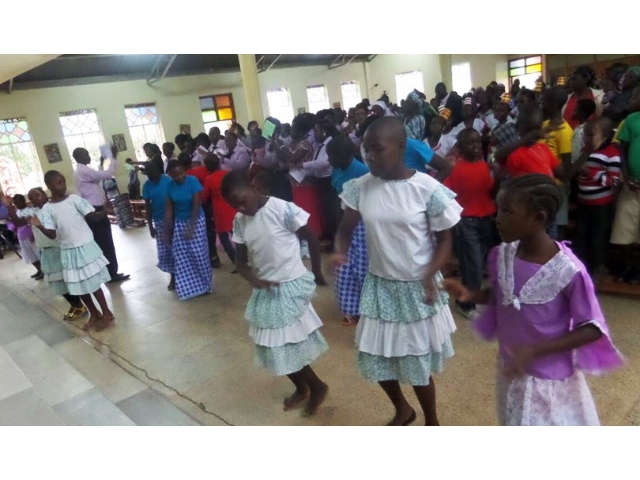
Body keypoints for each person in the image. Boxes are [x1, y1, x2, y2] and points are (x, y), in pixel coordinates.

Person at [445, 174, 623, 425]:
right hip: (513, 368)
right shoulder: (503, 255)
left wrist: (536, 350)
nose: (497, 219)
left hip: (547, 379)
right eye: (499, 209)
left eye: (507, 211)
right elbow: (504, 295)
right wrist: (471, 294)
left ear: (537, 218)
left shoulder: (568, 271)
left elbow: (592, 328)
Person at [333, 117, 462, 426]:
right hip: (380, 287)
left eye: (377, 149)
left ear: (401, 146)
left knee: (417, 364)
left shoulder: (426, 189)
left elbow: (445, 238)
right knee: (377, 357)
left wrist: (431, 273)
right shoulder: (361, 188)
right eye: (366, 150)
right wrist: (339, 250)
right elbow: (345, 229)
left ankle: (432, 421)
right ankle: (403, 409)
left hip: (417, 288)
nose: (370, 157)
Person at [221, 169, 329, 416]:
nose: (241, 208)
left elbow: (311, 238)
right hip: (267, 290)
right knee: (271, 346)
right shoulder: (240, 221)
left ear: (252, 186)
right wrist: (252, 278)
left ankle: (317, 386)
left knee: (284, 345)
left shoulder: (282, 209)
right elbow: (240, 262)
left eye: (241, 200)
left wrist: (317, 271)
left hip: (289, 285)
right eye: (234, 205)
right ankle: (302, 387)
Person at [33, 170, 115, 331]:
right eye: (58, 183)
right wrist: (39, 225)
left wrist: (104, 211)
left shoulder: (74, 200)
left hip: (84, 246)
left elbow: (92, 217)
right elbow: (52, 234)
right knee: (77, 285)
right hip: (68, 250)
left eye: (63, 181)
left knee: (92, 283)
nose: (62, 185)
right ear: (49, 186)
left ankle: (107, 313)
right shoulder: (47, 209)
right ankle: (94, 313)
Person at [443, 129, 498, 319]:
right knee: (472, 265)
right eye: (470, 143)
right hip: (467, 222)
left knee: (478, 264)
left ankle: (469, 297)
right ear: (460, 147)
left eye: (477, 142)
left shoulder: (483, 166)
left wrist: (498, 176)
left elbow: (490, 192)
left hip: (486, 220)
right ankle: (465, 303)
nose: (475, 146)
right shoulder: (456, 168)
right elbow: (446, 192)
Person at [23, 187, 88, 320]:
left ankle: (80, 305)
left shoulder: (51, 209)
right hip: (46, 251)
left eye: (37, 195)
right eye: (31, 197)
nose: (35, 198)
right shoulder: (34, 212)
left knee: (65, 280)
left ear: (44, 195)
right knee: (57, 282)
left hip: (57, 248)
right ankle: (74, 305)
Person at [327, 134, 370, 326]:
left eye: (331, 156)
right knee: (343, 268)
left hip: (362, 226)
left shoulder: (362, 171)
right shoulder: (336, 171)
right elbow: (338, 198)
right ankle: (350, 308)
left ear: (344, 155)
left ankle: (366, 308)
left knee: (362, 268)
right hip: (345, 222)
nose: (329, 160)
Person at [72, 147, 129, 283]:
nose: (88, 156)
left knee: (102, 241)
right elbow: (107, 175)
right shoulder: (83, 170)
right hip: (94, 209)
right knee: (105, 241)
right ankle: (112, 273)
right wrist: (113, 158)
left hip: (93, 207)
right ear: (78, 157)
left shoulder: (81, 170)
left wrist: (101, 162)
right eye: (86, 154)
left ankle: (109, 272)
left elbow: (96, 178)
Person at [573, 118, 621, 276]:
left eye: (590, 135)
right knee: (581, 238)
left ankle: (596, 270)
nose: (586, 138)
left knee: (597, 238)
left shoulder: (612, 154)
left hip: (600, 205)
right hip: (583, 202)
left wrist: (591, 174)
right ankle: (579, 269)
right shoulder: (585, 150)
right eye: (585, 134)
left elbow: (613, 181)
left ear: (605, 136)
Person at [164, 161, 213, 301]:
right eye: (176, 176)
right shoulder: (169, 186)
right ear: (170, 176)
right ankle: (190, 287)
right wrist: (166, 231)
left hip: (196, 219)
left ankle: (205, 285)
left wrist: (192, 226)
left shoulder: (192, 181)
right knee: (181, 254)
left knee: (198, 253)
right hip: (180, 221)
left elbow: (197, 204)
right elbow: (168, 209)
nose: (180, 177)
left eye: (182, 174)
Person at [271, 115, 323, 237]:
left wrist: (282, 146)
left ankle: (313, 236)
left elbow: (293, 158)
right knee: (299, 211)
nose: (291, 131)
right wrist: (275, 144)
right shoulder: (294, 143)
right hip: (295, 182)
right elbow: (283, 156)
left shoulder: (305, 143)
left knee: (307, 210)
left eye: (293, 128)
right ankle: (304, 236)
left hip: (305, 182)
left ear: (300, 130)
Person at [610, 85, 640, 283]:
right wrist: (627, 177)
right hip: (632, 184)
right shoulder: (631, 120)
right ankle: (631, 266)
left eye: (637, 96)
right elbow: (623, 149)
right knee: (625, 229)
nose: (633, 99)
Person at [542, 87, 574, 239]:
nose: (541, 104)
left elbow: (566, 162)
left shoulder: (564, 130)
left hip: (556, 183)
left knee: (555, 224)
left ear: (553, 105)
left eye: (544, 102)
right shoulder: (545, 124)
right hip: (542, 181)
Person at [303, 119, 340, 245]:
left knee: (331, 211)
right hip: (320, 181)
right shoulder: (319, 146)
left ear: (324, 132)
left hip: (328, 180)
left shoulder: (330, 144)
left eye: (316, 131)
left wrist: (304, 165)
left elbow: (325, 162)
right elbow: (316, 165)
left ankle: (336, 241)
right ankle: (330, 237)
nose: (314, 134)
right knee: (325, 211)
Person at [142, 161, 175, 290]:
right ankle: (173, 276)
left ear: (157, 170)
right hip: (159, 221)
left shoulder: (168, 181)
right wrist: (150, 226)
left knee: (177, 250)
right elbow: (147, 207)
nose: (150, 176)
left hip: (173, 219)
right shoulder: (147, 186)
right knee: (165, 252)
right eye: (147, 174)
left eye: (152, 172)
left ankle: (179, 276)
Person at [201, 154, 237, 266]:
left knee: (223, 237)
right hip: (233, 207)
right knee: (237, 234)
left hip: (220, 212)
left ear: (207, 166)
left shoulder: (209, 179)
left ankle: (235, 261)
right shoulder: (228, 174)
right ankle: (244, 259)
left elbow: (203, 197)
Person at [2, 194, 43, 279]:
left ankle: (43, 270)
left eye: (19, 202)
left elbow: (30, 222)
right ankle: (39, 270)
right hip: (21, 237)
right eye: (15, 203)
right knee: (30, 255)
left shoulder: (30, 210)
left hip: (31, 236)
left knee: (37, 253)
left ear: (24, 201)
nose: (17, 204)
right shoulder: (16, 211)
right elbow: (15, 224)